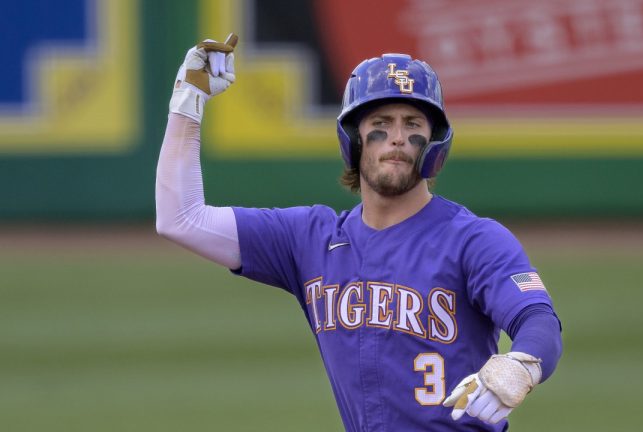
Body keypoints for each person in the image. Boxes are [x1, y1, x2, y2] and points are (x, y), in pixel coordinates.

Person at [156, 34, 563, 431]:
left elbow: (538, 318)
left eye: (413, 123)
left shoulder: (474, 240)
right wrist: (189, 103)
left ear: (434, 143)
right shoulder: (310, 240)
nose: (398, 138)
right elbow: (181, 218)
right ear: (353, 139)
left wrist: (520, 364)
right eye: (381, 123)